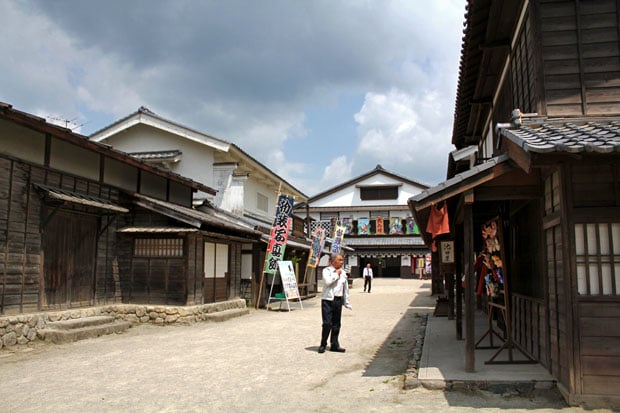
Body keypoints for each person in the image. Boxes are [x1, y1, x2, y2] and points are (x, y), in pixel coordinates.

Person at [318, 253, 351, 353]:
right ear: (332, 261)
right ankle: (323, 343)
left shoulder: (343, 273)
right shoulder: (326, 271)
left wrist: (346, 301)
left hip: (338, 300)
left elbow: (345, 288)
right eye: (340, 260)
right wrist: (337, 274)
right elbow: (327, 282)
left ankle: (334, 344)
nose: (342, 262)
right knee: (327, 323)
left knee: (337, 323)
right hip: (327, 300)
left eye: (342, 260)